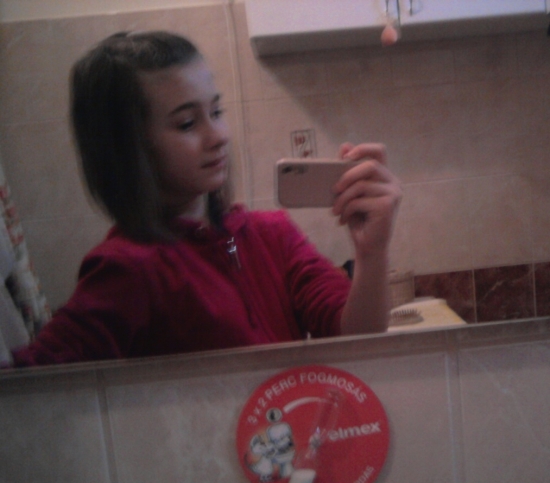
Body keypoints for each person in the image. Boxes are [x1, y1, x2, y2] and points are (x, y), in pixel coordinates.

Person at [9, 31, 402, 366]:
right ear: (129, 149)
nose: (219, 136)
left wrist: (372, 253)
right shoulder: (126, 270)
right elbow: (29, 391)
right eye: (187, 123)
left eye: (216, 111)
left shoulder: (272, 236)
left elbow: (358, 339)